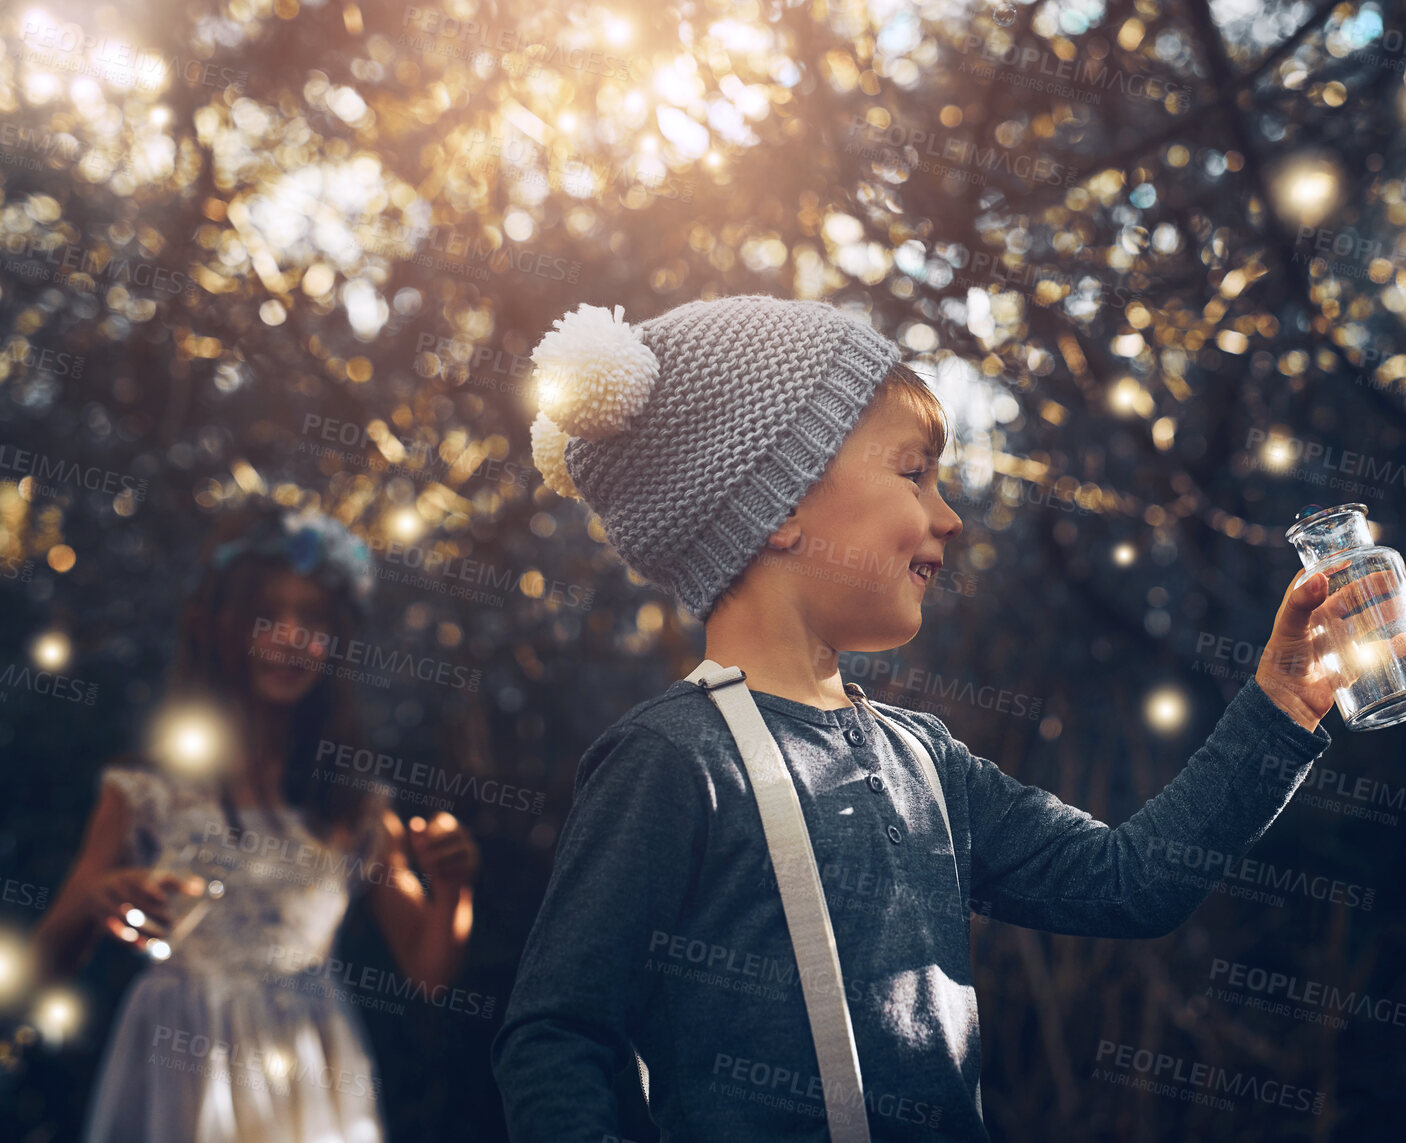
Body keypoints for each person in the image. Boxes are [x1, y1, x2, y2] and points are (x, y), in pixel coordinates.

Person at [491, 295, 1360, 1141]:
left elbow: (1130, 881)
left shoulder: (927, 760)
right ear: (781, 506)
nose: (948, 514)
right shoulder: (672, 760)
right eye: (913, 472)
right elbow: (558, 1035)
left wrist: (1280, 707)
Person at [29, 499, 480, 1143]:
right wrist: (96, 899)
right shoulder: (145, 792)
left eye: (314, 618)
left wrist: (453, 887)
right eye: (269, 614)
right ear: (217, 626)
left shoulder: (355, 807)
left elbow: (430, 973)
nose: (292, 636)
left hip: (308, 1072)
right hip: (179, 1065)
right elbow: (46, 963)